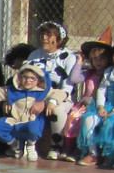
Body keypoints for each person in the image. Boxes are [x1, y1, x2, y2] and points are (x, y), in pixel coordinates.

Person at [75, 37, 114, 167]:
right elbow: (101, 90)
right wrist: (100, 106)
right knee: (88, 119)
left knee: (109, 123)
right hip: (106, 105)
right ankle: (93, 153)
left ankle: (109, 155)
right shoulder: (109, 71)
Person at [23, 21, 81, 155]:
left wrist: (50, 101)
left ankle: (57, 146)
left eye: (49, 35)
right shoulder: (34, 55)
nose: (44, 38)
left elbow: (67, 87)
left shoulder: (69, 57)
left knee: (57, 110)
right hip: (37, 95)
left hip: (62, 97)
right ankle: (20, 143)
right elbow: (25, 79)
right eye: (42, 34)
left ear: (59, 38)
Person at [0, 62, 50, 160]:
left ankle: (30, 146)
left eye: (32, 78)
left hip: (31, 120)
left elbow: (59, 94)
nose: (28, 81)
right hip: (15, 120)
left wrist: (49, 102)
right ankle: (15, 146)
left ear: (39, 80)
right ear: (19, 76)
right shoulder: (12, 90)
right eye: (25, 77)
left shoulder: (42, 91)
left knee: (34, 127)